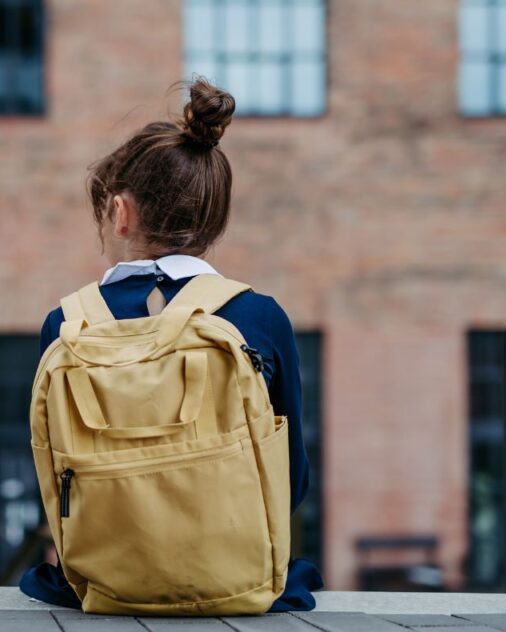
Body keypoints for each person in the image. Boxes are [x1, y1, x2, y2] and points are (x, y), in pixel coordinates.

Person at [18, 78, 324, 612]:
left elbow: (53, 483)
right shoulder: (258, 315)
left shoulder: (66, 325)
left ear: (120, 213)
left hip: (104, 585)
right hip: (239, 580)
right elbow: (292, 479)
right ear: (213, 220)